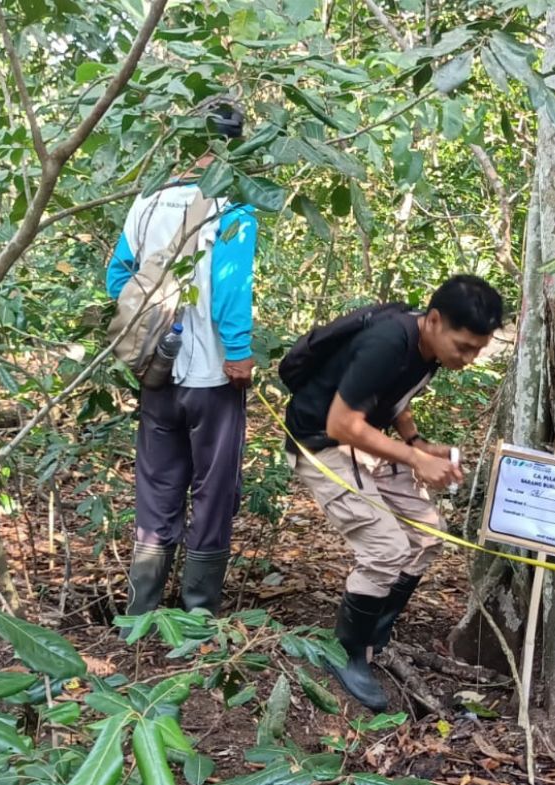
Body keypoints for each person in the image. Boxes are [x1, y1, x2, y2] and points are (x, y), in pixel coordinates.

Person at [283, 274, 503, 711]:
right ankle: (345, 655)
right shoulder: (388, 341)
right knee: (385, 549)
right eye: (464, 347)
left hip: (362, 441)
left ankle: (375, 629)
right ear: (435, 320)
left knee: (425, 534)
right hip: (322, 444)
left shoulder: (427, 348)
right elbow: (341, 424)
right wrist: (414, 459)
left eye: (478, 350)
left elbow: (396, 396)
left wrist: (416, 441)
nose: (470, 358)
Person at [107, 102, 258, 619]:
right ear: (232, 145)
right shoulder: (233, 206)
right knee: (213, 490)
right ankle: (197, 614)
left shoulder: (146, 203)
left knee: (157, 486)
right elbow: (229, 291)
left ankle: (142, 612)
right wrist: (238, 353)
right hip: (211, 375)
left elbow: (117, 282)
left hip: (155, 371)